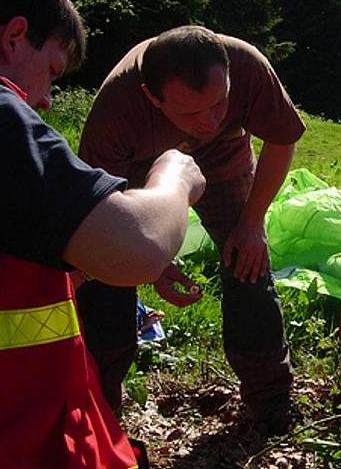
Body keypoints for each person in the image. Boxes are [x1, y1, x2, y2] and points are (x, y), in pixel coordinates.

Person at [0, 0, 205, 467]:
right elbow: (137, 246)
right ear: (16, 37)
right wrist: (174, 177)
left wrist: (84, 255)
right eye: (53, 71)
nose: (44, 100)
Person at [77, 24, 306, 434]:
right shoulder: (116, 109)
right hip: (139, 177)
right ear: (152, 97)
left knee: (248, 263)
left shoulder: (249, 65)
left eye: (219, 104)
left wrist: (251, 224)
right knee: (107, 274)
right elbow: (102, 221)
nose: (208, 121)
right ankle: (101, 406)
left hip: (224, 164)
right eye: (189, 113)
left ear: (229, 76)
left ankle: (271, 399)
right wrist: (152, 261)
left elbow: (281, 140)